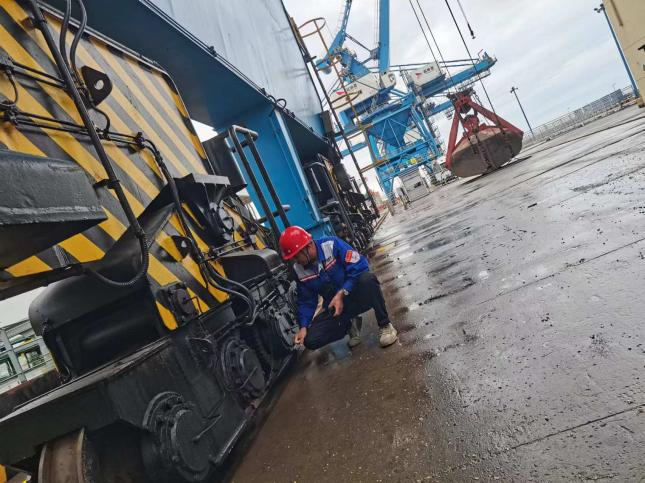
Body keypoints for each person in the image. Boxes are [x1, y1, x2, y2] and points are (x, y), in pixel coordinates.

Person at [279, 226, 398, 350]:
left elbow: (360, 266)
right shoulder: (299, 270)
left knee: (367, 279)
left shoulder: (332, 245)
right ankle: (349, 324)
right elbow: (306, 301)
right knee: (311, 340)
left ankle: (385, 325)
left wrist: (342, 293)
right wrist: (303, 327)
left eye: (296, 257)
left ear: (307, 246)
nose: (296, 261)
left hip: (357, 296)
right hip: (337, 308)